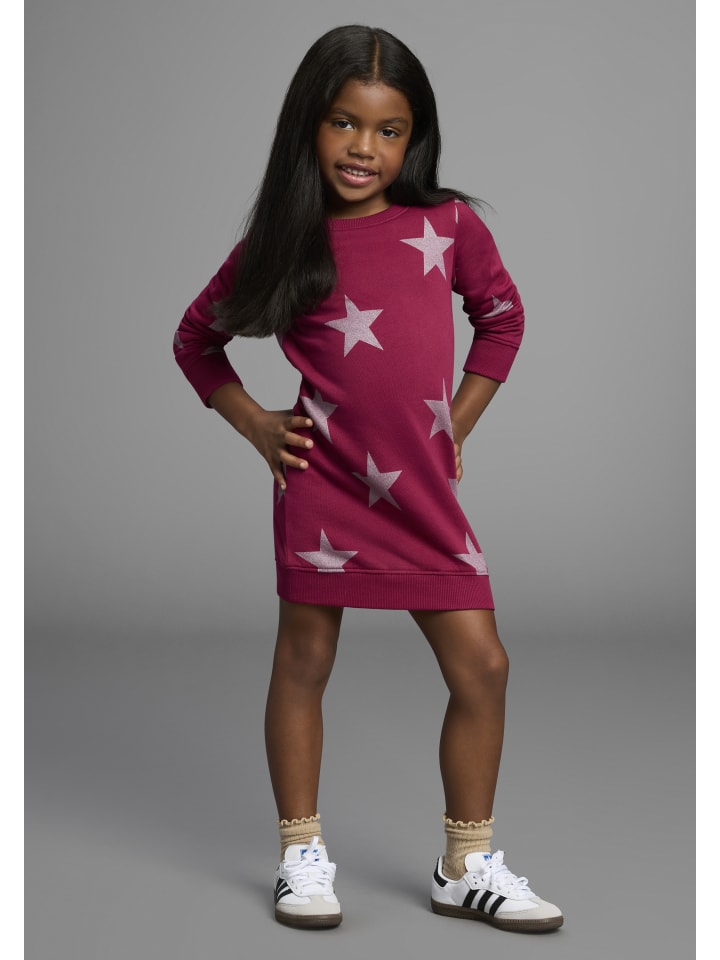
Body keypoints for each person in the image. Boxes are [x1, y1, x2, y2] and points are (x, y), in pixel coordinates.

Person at [174, 24, 563, 934]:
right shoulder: (287, 238)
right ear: (309, 125)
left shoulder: (448, 225)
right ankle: (300, 855)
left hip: (418, 492)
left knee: (484, 665)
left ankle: (466, 863)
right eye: (344, 123)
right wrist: (257, 425)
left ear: (414, 138)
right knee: (305, 660)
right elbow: (197, 340)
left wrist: (454, 424)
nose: (364, 148)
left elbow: (503, 319)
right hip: (325, 487)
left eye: (389, 130)